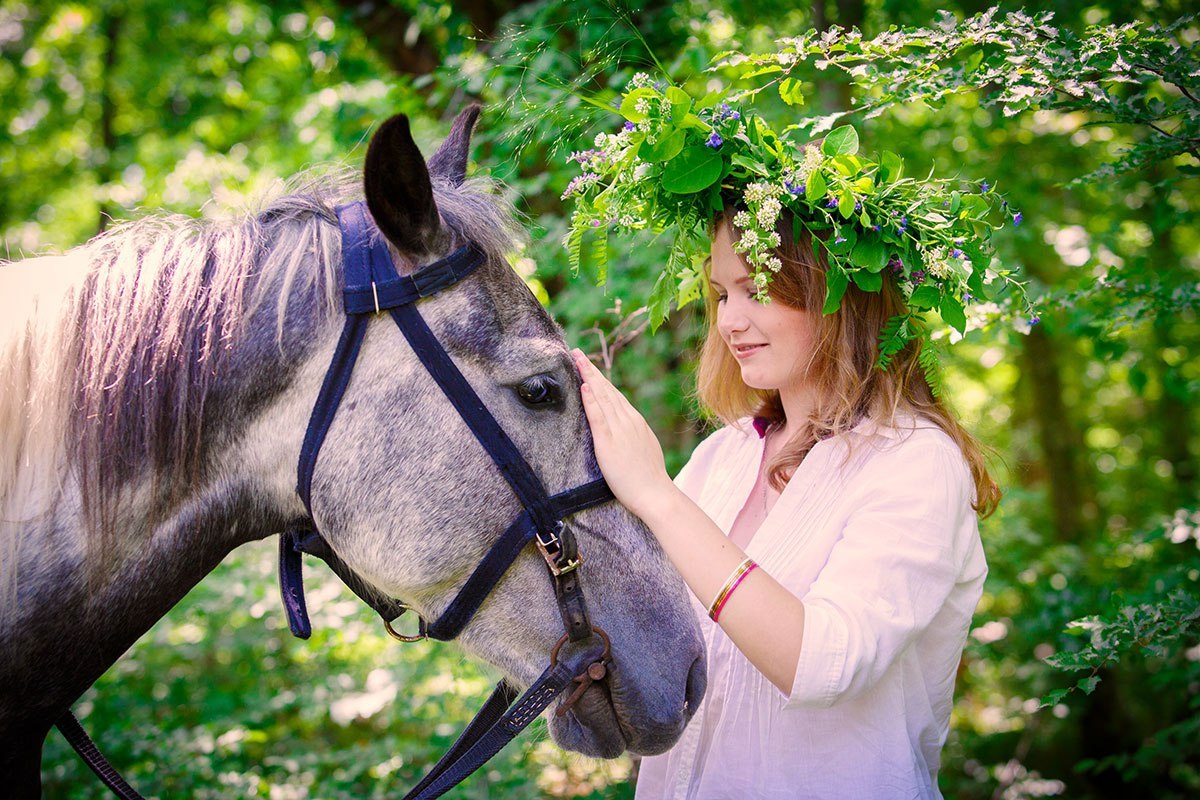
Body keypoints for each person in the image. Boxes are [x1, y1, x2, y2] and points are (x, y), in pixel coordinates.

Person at [562, 77, 1013, 798]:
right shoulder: (723, 455)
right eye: (721, 293)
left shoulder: (914, 464)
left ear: (840, 293)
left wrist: (655, 496)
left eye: (758, 288)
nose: (728, 321)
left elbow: (820, 662)